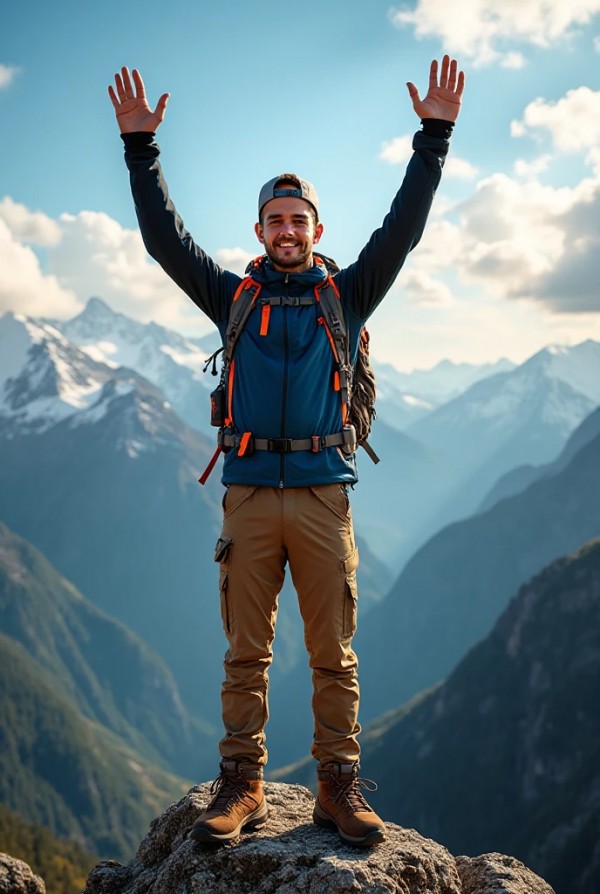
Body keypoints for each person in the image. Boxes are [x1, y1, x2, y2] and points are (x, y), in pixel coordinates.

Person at [108, 55, 464, 848]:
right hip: (246, 493)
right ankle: (243, 784)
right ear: (260, 233)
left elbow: (403, 228)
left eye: (299, 220)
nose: (288, 230)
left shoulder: (348, 295)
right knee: (247, 654)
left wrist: (432, 136)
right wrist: (142, 152)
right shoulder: (233, 297)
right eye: (276, 221)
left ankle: (338, 786)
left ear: (317, 231)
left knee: (333, 652)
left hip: (321, 493)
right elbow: (165, 242)